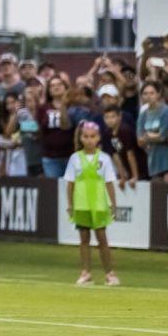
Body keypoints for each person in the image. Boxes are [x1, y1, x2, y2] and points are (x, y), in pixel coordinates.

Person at [64, 121, 120, 287]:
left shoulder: (104, 158)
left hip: (98, 204)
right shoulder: (75, 158)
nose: (89, 140)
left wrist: (113, 204)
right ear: (81, 138)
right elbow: (70, 184)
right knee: (84, 239)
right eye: (86, 136)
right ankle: (86, 272)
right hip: (81, 204)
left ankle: (109, 273)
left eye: (92, 137)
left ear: (98, 138)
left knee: (102, 238)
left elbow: (109, 182)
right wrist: (70, 205)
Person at [136, 81, 168, 183]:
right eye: (145, 93)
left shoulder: (167, 112)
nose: (148, 96)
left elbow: (164, 136)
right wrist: (153, 136)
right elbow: (140, 141)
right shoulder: (143, 115)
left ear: (158, 94)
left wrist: (148, 136)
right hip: (153, 162)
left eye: (151, 93)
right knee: (157, 193)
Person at [37, 76, 73, 178]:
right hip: (50, 157)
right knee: (54, 190)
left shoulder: (72, 106)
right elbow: (39, 130)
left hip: (70, 156)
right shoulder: (43, 109)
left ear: (65, 87)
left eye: (59, 84)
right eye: (52, 86)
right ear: (48, 90)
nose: (56, 87)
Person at [100, 103, 142, 187]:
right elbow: (115, 155)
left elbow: (130, 154)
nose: (110, 120)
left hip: (140, 166)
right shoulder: (107, 134)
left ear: (120, 117)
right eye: (107, 117)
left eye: (113, 117)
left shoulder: (125, 131)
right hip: (126, 167)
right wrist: (123, 176)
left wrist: (135, 176)